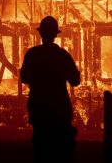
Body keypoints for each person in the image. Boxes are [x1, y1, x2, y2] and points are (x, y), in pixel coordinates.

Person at [20, 15, 81, 160]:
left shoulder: (32, 54)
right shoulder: (62, 56)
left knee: (41, 150)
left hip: (39, 108)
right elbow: (75, 81)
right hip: (60, 108)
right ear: (55, 34)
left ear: (40, 33)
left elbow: (24, 78)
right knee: (61, 150)